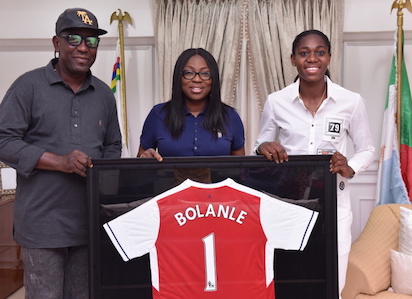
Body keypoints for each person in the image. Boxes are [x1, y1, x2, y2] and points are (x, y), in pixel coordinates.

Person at [0, 8, 122, 298]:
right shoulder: (28, 86)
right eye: (74, 38)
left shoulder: (104, 94)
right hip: (42, 225)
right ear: (57, 43)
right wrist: (59, 162)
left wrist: (101, 173)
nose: (83, 47)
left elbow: (113, 145)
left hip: (89, 222)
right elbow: (3, 139)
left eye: (91, 41)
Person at [254, 30, 375, 297]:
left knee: (333, 278)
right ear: (293, 59)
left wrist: (350, 166)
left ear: (329, 58)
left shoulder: (350, 101)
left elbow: (367, 149)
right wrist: (263, 146)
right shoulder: (276, 102)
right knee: (292, 274)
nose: (312, 58)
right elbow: (260, 144)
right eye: (304, 52)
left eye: (320, 52)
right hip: (289, 203)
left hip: (335, 205)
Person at [138, 48, 245, 161]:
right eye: (189, 73)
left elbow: (241, 171)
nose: (197, 79)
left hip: (218, 179)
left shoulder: (230, 116)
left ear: (213, 79)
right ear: (178, 77)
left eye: (205, 73)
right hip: (170, 179)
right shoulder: (158, 114)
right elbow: (139, 166)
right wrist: (144, 158)